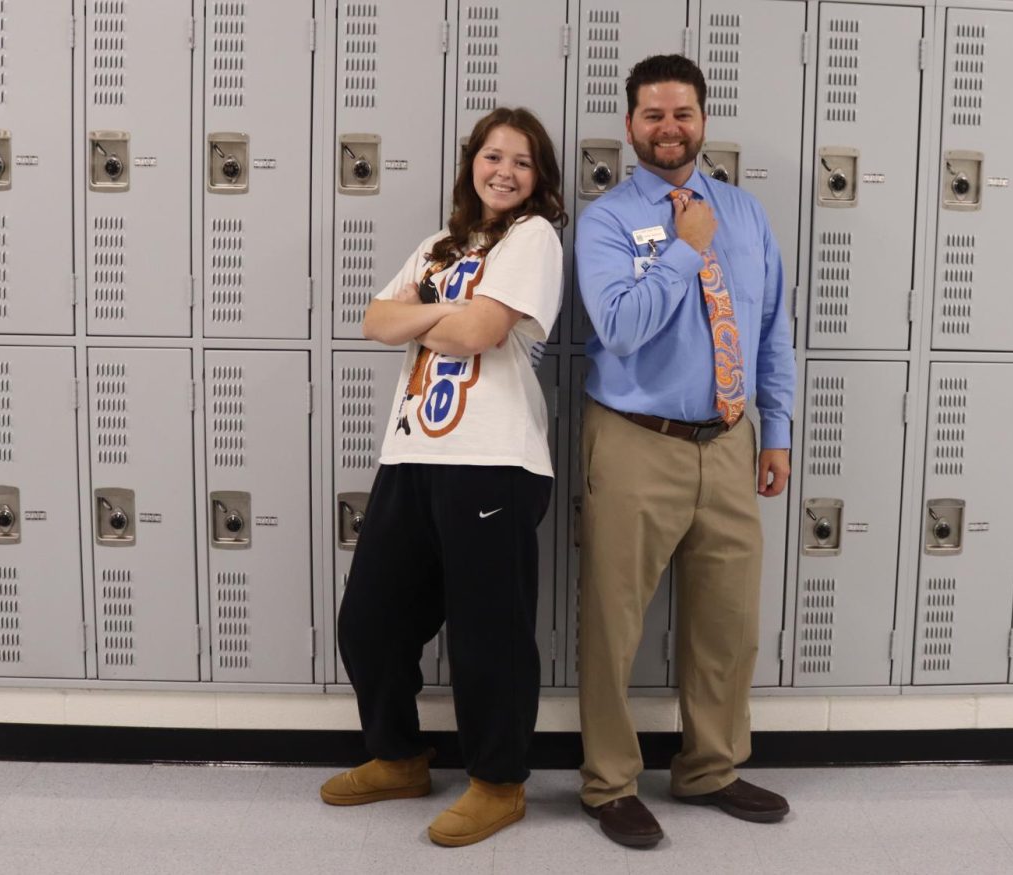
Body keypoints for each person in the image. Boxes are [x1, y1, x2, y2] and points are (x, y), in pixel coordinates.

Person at [320, 106, 565, 848]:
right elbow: (371, 320)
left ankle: (499, 781)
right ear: (472, 165)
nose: (504, 171)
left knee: (489, 634)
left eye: (521, 162)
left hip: (493, 461)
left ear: (538, 178)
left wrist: (425, 310)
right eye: (493, 156)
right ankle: (398, 756)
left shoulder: (534, 238)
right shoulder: (438, 245)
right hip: (411, 458)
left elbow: (483, 332)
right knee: (369, 621)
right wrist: (442, 310)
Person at [574, 54, 796, 848]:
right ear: (630, 126)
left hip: (731, 442)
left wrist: (779, 430)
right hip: (638, 441)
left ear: (703, 120)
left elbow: (774, 329)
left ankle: (709, 766)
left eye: (683, 114)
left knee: (728, 620)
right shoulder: (604, 221)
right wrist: (684, 246)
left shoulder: (746, 214)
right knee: (614, 620)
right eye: (652, 115)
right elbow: (622, 327)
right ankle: (608, 782)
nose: (669, 128)